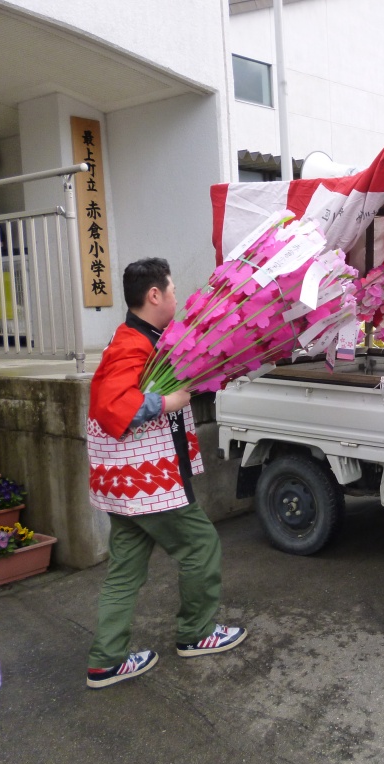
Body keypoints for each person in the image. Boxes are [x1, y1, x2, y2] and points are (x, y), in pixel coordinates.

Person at [85, 258, 245, 689]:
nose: (177, 295)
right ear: (153, 295)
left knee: (125, 568)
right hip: (147, 482)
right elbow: (112, 406)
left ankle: (106, 660)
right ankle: (196, 633)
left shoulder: (147, 340)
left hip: (126, 483)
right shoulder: (132, 344)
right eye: (172, 289)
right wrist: (167, 403)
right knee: (201, 545)